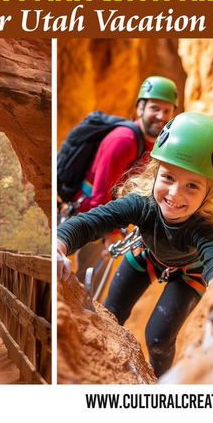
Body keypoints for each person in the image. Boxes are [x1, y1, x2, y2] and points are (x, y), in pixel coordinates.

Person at [58, 112, 213, 378]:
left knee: (158, 340)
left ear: (212, 191)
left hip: (190, 273)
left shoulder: (203, 229)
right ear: (155, 171)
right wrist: (59, 244)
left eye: (192, 186)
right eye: (168, 178)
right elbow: (90, 223)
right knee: (110, 315)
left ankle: (159, 387)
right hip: (148, 256)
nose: (175, 194)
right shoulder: (142, 205)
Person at [73, 76, 178, 284]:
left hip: (110, 218)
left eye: (167, 111)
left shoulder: (153, 145)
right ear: (140, 108)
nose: (161, 116)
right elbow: (101, 192)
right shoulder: (124, 140)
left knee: (89, 282)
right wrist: (109, 232)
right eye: (155, 108)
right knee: (83, 282)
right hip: (90, 214)